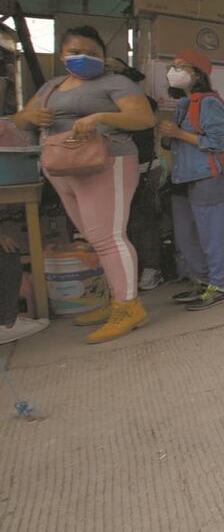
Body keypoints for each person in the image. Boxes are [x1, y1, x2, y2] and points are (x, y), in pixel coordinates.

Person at [12, 25, 154, 343]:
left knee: (108, 237)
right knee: (92, 237)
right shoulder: (52, 87)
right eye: (76, 52)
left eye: (93, 53)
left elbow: (144, 118)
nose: (84, 58)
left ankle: (128, 307)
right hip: (62, 166)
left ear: (104, 57)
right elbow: (19, 120)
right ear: (62, 55)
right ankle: (113, 299)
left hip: (108, 162)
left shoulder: (116, 82)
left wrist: (100, 117)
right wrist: (32, 116)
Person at [159, 48, 224, 311]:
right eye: (173, 66)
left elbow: (217, 142)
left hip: (206, 177)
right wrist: (170, 135)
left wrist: (179, 134)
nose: (174, 71)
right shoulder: (182, 105)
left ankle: (219, 286)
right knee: (185, 235)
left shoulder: (210, 103)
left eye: (182, 67)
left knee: (211, 235)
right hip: (181, 178)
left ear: (198, 73)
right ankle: (203, 281)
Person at [104, 58, 165, 292]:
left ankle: (151, 269)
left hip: (143, 169)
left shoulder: (143, 104)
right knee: (122, 225)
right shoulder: (105, 103)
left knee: (143, 221)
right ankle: (129, 271)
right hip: (115, 170)